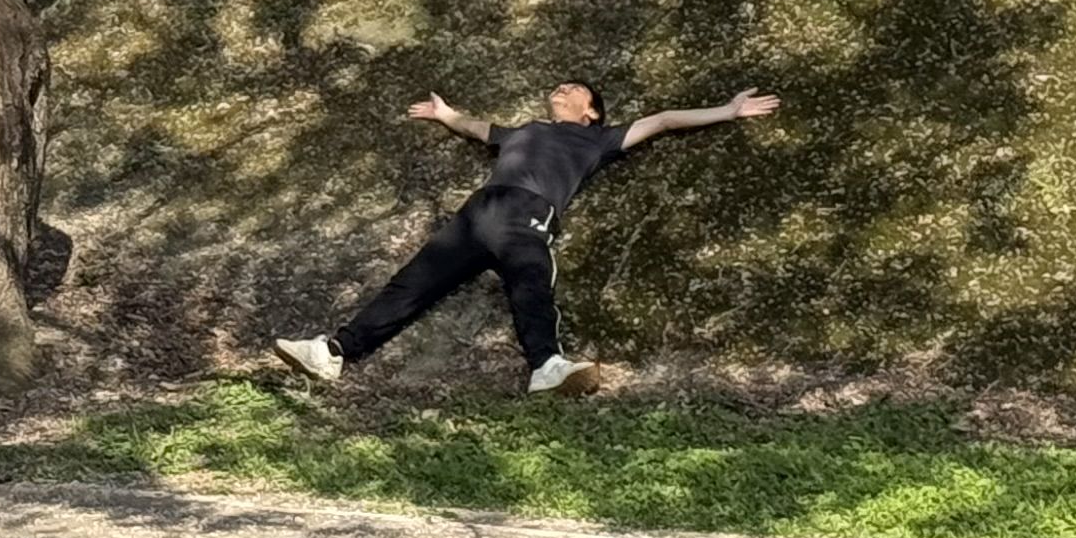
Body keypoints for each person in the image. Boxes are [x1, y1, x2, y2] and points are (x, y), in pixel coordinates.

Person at [275, 79, 779, 396]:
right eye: (558, 87)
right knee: (410, 285)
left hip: (529, 217)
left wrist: (728, 110)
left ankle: (547, 366)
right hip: (479, 212)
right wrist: (446, 115)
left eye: (573, 89)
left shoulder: (599, 138)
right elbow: (480, 129)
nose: (561, 90)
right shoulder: (524, 131)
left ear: (592, 111)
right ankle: (334, 353)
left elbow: (664, 121)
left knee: (532, 288)